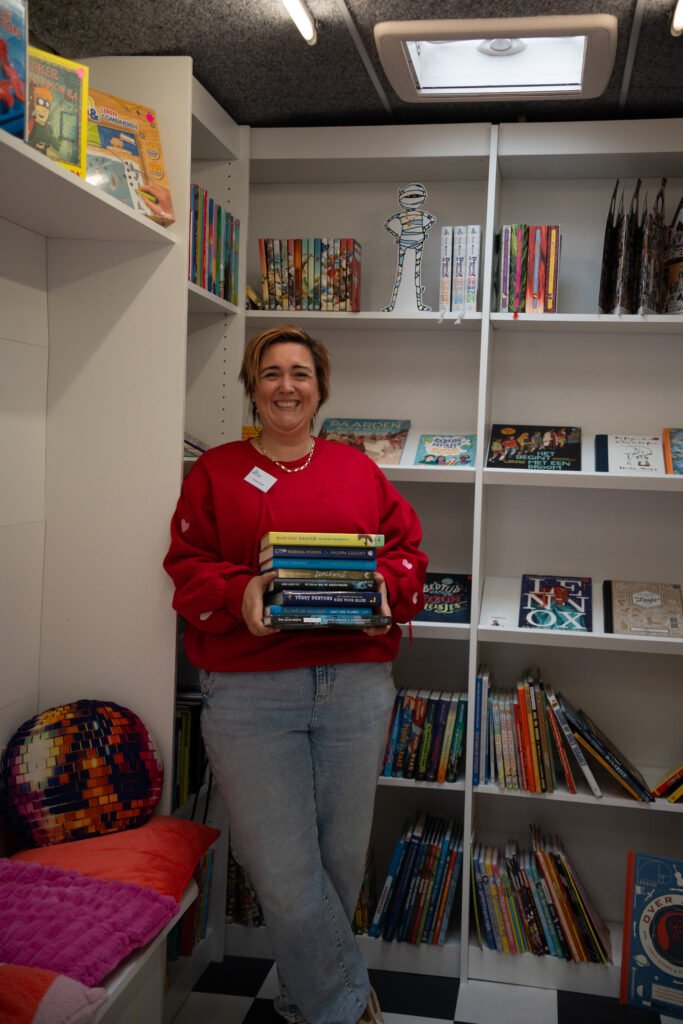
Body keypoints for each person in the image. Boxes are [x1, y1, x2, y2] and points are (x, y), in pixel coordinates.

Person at [163, 324, 428, 1024]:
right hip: (250, 694)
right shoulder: (216, 470)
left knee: (338, 862)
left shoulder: (357, 470)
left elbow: (406, 555)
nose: (287, 385)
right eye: (272, 372)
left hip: (354, 689)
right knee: (281, 872)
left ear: (321, 388)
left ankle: (304, 1001)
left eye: (301, 373)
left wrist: (384, 597)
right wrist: (237, 592)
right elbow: (186, 570)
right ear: (253, 387)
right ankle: (344, 1007)